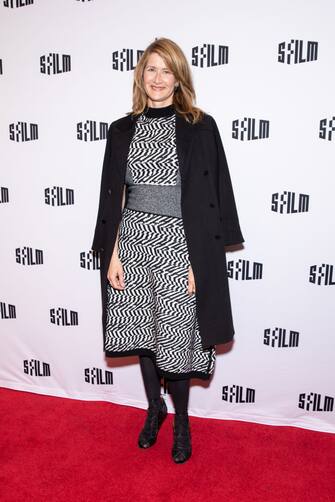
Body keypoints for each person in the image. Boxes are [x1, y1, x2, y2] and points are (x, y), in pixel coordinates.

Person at [91, 37, 244, 464]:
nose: (157, 78)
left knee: (175, 339)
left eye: (166, 70)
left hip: (180, 243)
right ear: (140, 75)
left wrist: (202, 262)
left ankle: (180, 420)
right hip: (134, 240)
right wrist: (113, 253)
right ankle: (153, 409)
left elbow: (215, 195)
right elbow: (115, 196)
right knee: (142, 334)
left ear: (179, 78)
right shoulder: (121, 130)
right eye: (150, 69)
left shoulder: (200, 125)